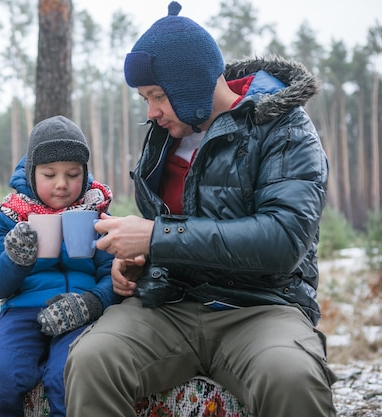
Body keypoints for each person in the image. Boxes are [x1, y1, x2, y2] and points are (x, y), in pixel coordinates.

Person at [63, 3, 337, 417]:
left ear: (191, 84)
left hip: (261, 306)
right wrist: (141, 259)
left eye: (157, 96)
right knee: (91, 360)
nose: (151, 111)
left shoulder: (284, 127)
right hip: (170, 305)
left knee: (291, 375)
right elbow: (167, 232)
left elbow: (284, 240)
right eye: (145, 98)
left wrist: (156, 237)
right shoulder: (165, 133)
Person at [0, 115, 118, 417]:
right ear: (32, 172)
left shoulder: (98, 214)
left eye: (72, 174)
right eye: (50, 174)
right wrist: (15, 260)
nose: (62, 184)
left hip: (81, 314)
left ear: (85, 173)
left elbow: (114, 276)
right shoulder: (10, 215)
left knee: (71, 375)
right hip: (21, 314)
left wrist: (91, 303)